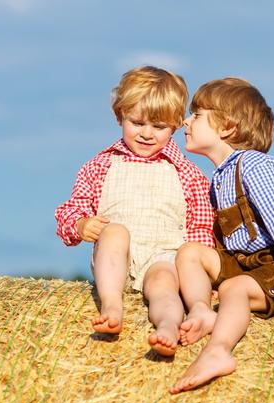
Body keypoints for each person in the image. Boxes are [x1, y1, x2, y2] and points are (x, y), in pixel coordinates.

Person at [170, 77, 274, 393]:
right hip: (247, 263)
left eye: (197, 116)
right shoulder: (221, 178)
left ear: (227, 128)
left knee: (235, 288)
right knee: (190, 252)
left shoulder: (256, 167)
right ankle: (201, 310)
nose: (185, 122)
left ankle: (218, 351)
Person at [54, 66, 214, 356]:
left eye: (159, 126)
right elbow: (71, 209)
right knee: (114, 231)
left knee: (165, 285)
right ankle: (113, 306)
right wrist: (80, 225)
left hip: (163, 256)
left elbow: (200, 232)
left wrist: (204, 281)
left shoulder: (189, 174)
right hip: (116, 260)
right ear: (120, 116)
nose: (147, 133)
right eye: (137, 122)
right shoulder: (99, 166)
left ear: (176, 125)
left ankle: (167, 327)